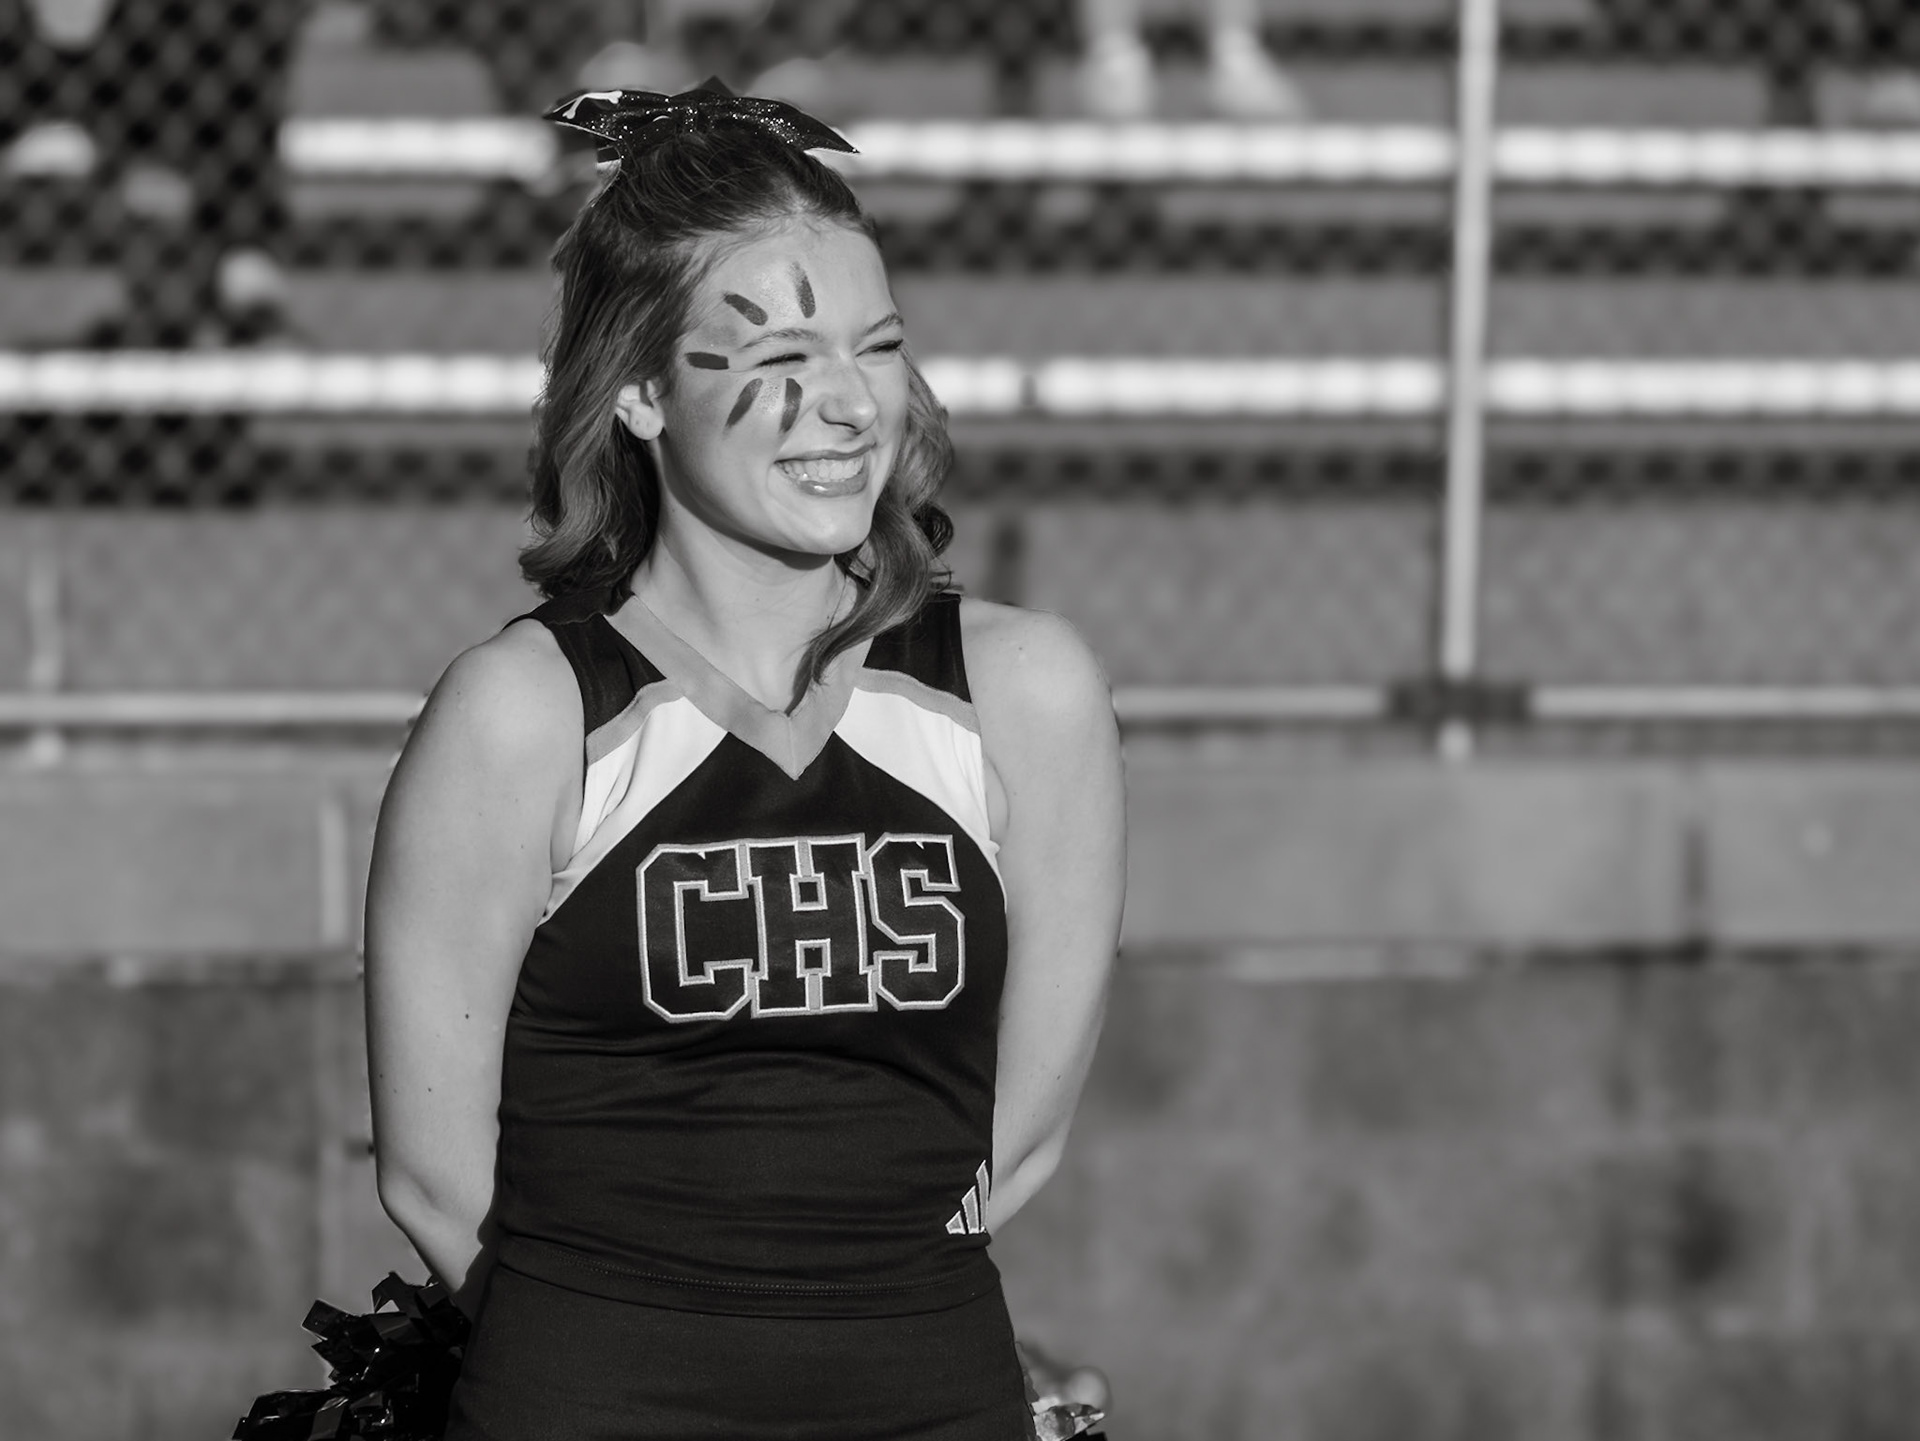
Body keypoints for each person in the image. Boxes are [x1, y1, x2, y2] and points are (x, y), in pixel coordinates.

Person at [363, 85, 1125, 1439]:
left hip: (926, 1390)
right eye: (772, 352)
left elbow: (1024, 1132)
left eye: (877, 347)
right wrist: (644, 1344)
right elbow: (432, 1176)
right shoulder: (523, 711)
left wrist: (829, 1327)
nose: (844, 404)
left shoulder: (1020, 693)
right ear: (644, 389)